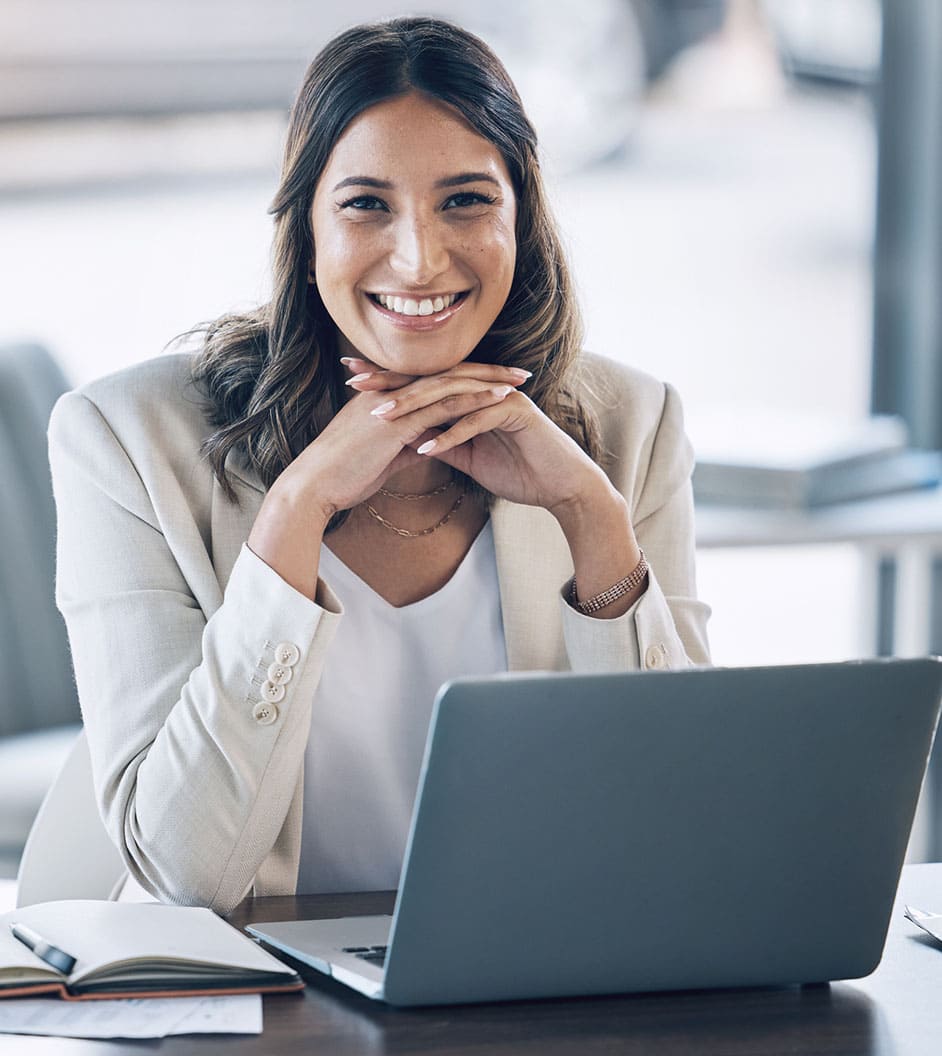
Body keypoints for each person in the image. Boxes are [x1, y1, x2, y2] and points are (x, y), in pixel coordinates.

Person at [48, 16, 711, 914]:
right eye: (366, 204)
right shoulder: (126, 441)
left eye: (467, 200)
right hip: (262, 1015)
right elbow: (186, 876)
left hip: (537, 992)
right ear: (307, 228)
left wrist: (591, 518)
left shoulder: (633, 427)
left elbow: (684, 833)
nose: (419, 258)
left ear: (523, 218)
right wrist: (295, 511)